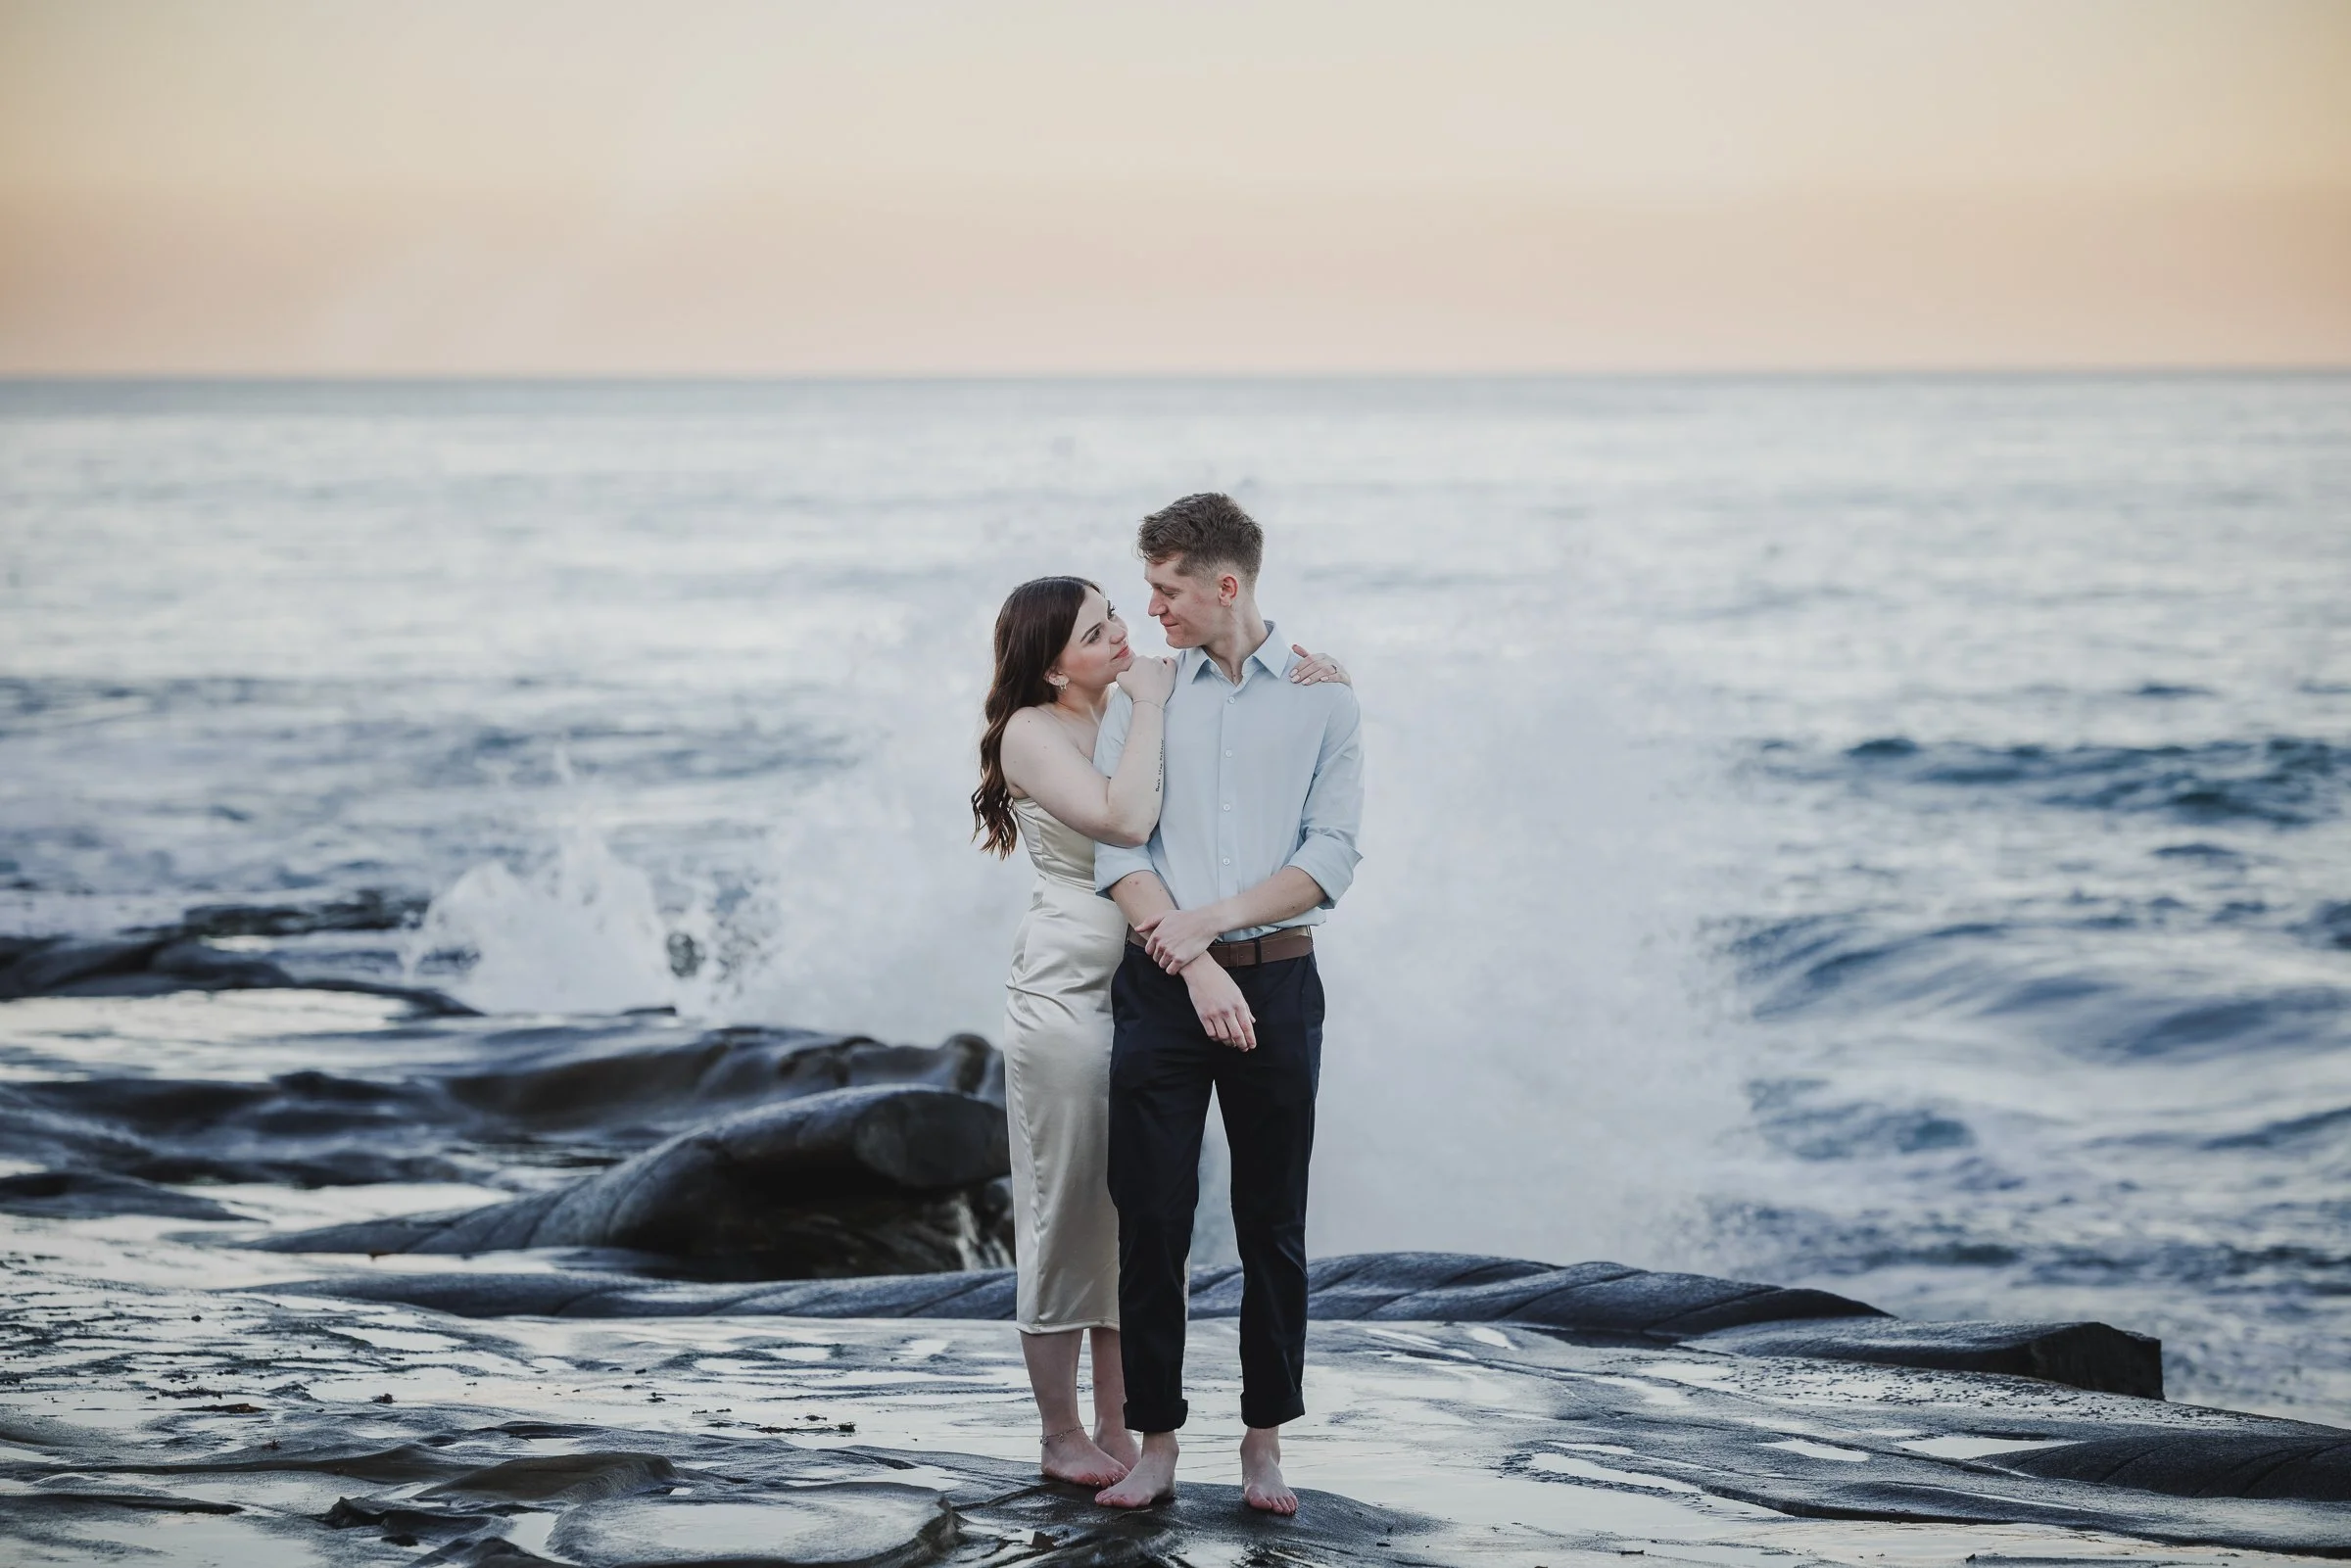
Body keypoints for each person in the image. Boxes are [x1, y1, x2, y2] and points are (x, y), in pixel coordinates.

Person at [971, 573, 1349, 1491]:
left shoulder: (1136, 702)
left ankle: (1125, 1420)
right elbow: (1126, 819)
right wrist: (1146, 702)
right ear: (1053, 664)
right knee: (1067, 1206)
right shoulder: (1037, 729)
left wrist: (1318, 674)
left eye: (1119, 618)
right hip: (1069, 989)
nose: (1124, 634)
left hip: (1153, 980)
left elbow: (1242, 707)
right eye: (1097, 630)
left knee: (1141, 1209)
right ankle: (1063, 1432)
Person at [1087, 495, 1364, 1516]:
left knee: (1271, 1225)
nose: (1149, 605)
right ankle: (1157, 1441)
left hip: (1281, 980)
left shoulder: (1324, 696)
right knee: (1153, 1217)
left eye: (1166, 587)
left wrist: (1218, 924)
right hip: (1161, 985)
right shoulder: (1144, 694)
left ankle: (1263, 1443)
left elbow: (1329, 859)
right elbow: (1120, 848)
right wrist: (1192, 955)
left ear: (1225, 584)